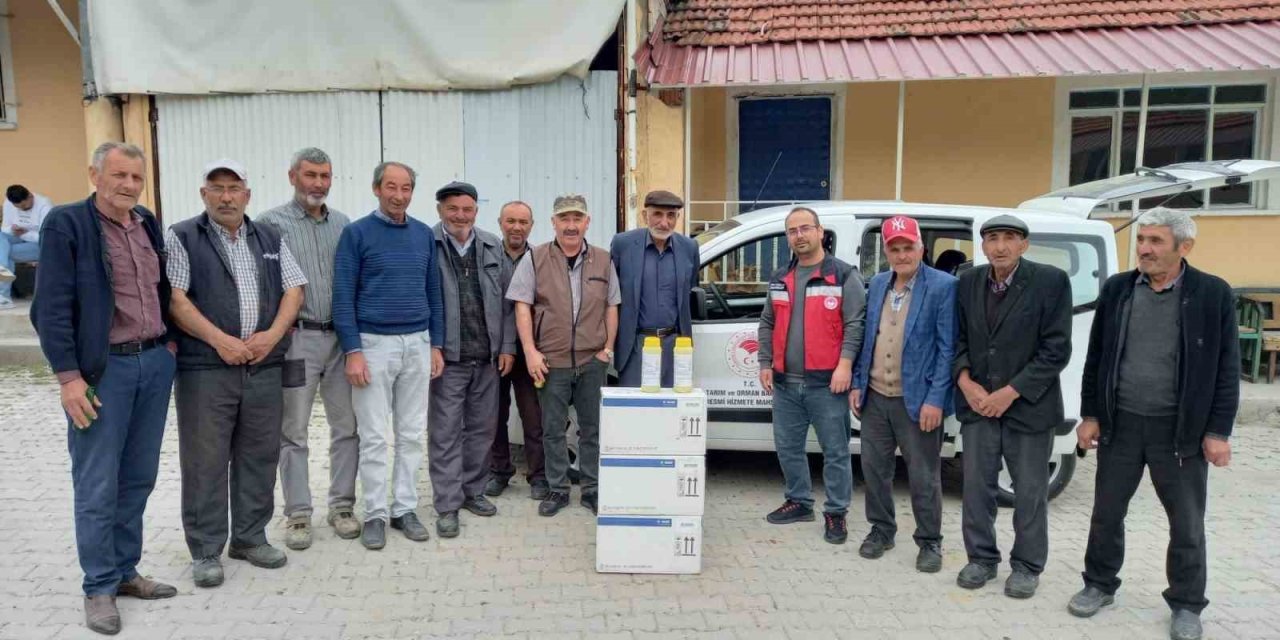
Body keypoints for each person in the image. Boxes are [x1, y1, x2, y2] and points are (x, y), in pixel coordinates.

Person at [1069, 208, 1238, 640]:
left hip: (1178, 432)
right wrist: (1091, 414)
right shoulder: (1119, 290)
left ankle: (1186, 605)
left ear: (1185, 247)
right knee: (1106, 514)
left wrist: (1218, 433)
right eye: (1142, 239)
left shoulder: (1212, 293)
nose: (1144, 248)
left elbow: (1226, 368)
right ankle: (1098, 585)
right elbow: (1098, 357)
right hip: (1121, 425)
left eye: (1156, 241)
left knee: (1186, 523)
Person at [30, 143, 177, 635]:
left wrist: (169, 348)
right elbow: (49, 307)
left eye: (137, 177)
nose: (128, 185)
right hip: (102, 374)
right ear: (94, 173)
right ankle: (98, 586)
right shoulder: (67, 224)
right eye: (118, 174)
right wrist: (69, 378)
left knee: (138, 476)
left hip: (153, 364)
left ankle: (125, 571)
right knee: (97, 481)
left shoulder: (147, 223)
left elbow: (160, 290)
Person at [166, 159, 307, 588]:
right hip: (207, 368)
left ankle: (248, 537)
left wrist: (272, 335)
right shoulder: (183, 236)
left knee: (259, 454)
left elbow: (294, 289)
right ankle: (207, 549)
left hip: (263, 366)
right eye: (217, 188)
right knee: (206, 460)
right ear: (203, 194)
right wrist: (219, 341)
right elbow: (175, 298)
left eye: (234, 188)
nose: (226, 196)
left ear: (248, 194)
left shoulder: (270, 235)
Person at [952, 214, 1071, 599]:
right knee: (976, 489)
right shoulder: (968, 281)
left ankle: (1026, 566)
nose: (999, 246)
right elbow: (957, 340)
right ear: (982, 245)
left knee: (1030, 492)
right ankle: (982, 559)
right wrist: (964, 381)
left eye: (1009, 238)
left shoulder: (1050, 281)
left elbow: (1056, 349)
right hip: (978, 406)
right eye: (992, 238)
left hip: (1028, 407)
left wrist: (1011, 391)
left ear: (1024, 244)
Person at [333, 161, 444, 550]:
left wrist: (436, 344)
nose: (399, 195)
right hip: (373, 344)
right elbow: (343, 295)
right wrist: (353, 350)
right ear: (376, 188)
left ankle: (404, 508)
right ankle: (376, 514)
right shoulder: (356, 234)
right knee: (376, 435)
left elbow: (434, 292)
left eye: (407, 188)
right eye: (392, 187)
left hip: (417, 341)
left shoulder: (422, 235)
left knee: (413, 433)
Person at [259, 147, 360, 550]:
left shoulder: (344, 225)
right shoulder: (270, 224)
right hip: (297, 340)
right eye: (310, 175)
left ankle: (342, 507)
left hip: (341, 340)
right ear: (292, 177)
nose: (318, 183)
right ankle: (298, 514)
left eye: (325, 175)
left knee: (347, 427)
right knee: (293, 430)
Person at [850, 215, 957, 572]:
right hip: (876, 396)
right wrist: (856, 383)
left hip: (918, 400)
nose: (901, 254)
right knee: (874, 469)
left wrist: (936, 399)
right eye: (894, 248)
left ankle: (929, 541)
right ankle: (881, 529)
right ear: (886, 252)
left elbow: (947, 349)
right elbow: (868, 337)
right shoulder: (879, 283)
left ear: (920, 247)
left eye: (907, 247)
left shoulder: (942, 286)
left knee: (924, 475)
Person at [756, 207, 865, 545]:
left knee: (835, 452)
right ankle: (799, 502)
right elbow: (767, 323)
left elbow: (855, 325)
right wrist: (764, 362)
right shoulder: (780, 278)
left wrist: (845, 365)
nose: (799, 236)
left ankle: (836, 514)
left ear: (820, 232)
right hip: (786, 383)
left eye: (805, 229)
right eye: (792, 231)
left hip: (826, 384)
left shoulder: (844, 276)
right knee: (788, 448)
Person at [506, 194, 620, 517]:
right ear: (553, 222)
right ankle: (557, 489)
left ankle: (592, 488)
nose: (571, 226)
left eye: (577, 219)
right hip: (550, 361)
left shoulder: (603, 259)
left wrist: (607, 348)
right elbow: (522, 306)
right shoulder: (535, 258)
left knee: (592, 428)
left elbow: (612, 305)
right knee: (552, 429)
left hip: (591, 361)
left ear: (587, 222)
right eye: (564, 219)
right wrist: (530, 351)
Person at [427, 181, 516, 537]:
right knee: (446, 432)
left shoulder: (492, 245)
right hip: (449, 358)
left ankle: (472, 491)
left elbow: (510, 303)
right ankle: (447, 504)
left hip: (487, 357)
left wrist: (507, 347)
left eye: (467, 209)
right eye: (453, 209)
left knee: (481, 430)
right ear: (440, 211)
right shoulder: (426, 243)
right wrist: (432, 346)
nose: (460, 216)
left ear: (476, 212)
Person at [485, 201, 548, 500]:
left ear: (531, 226)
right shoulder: (487, 256)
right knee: (495, 416)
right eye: (511, 221)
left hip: (529, 352)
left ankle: (538, 475)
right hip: (495, 351)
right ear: (500, 223)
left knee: (533, 416)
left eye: (523, 222)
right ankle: (499, 471)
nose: (517, 227)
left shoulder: (540, 258)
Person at [610, 190, 700, 387]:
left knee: (671, 411)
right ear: (645, 216)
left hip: (675, 346)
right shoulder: (622, 244)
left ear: (677, 217)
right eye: (657, 214)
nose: (664, 222)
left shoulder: (689, 248)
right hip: (635, 346)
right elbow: (611, 296)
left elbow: (691, 289)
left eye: (671, 216)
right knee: (635, 410)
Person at [1, 184, 51, 307]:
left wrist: (26, 234)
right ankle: (3, 270)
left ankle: (3, 294)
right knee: (1, 241)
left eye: (24, 206)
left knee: (4, 252)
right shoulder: (9, 202)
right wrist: (12, 230)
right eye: (18, 207)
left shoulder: (45, 205)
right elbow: (5, 229)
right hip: (17, 238)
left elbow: (47, 237)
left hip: (40, 245)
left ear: (30, 196)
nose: (22, 209)